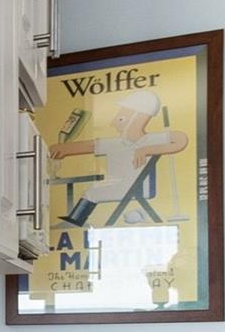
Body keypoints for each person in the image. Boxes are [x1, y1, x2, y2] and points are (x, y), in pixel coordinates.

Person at [50, 87, 186, 228]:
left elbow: (181, 139)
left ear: (138, 117)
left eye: (120, 118)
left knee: (92, 192)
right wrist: (59, 149)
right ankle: (73, 221)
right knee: (92, 190)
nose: (113, 123)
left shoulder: (150, 140)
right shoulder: (114, 143)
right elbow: (86, 146)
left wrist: (146, 150)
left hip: (134, 187)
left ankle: (74, 222)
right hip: (121, 185)